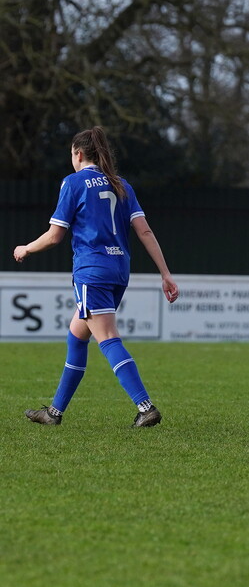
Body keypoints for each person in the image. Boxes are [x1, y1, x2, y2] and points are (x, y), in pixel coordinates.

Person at [15, 126, 179, 427]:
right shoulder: (121, 185)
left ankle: (146, 407)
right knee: (77, 335)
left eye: (72, 156)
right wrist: (165, 274)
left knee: (107, 337)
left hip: (92, 271)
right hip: (119, 270)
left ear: (78, 154)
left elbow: (54, 236)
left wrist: (26, 248)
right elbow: (144, 230)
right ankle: (54, 413)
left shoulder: (73, 183)